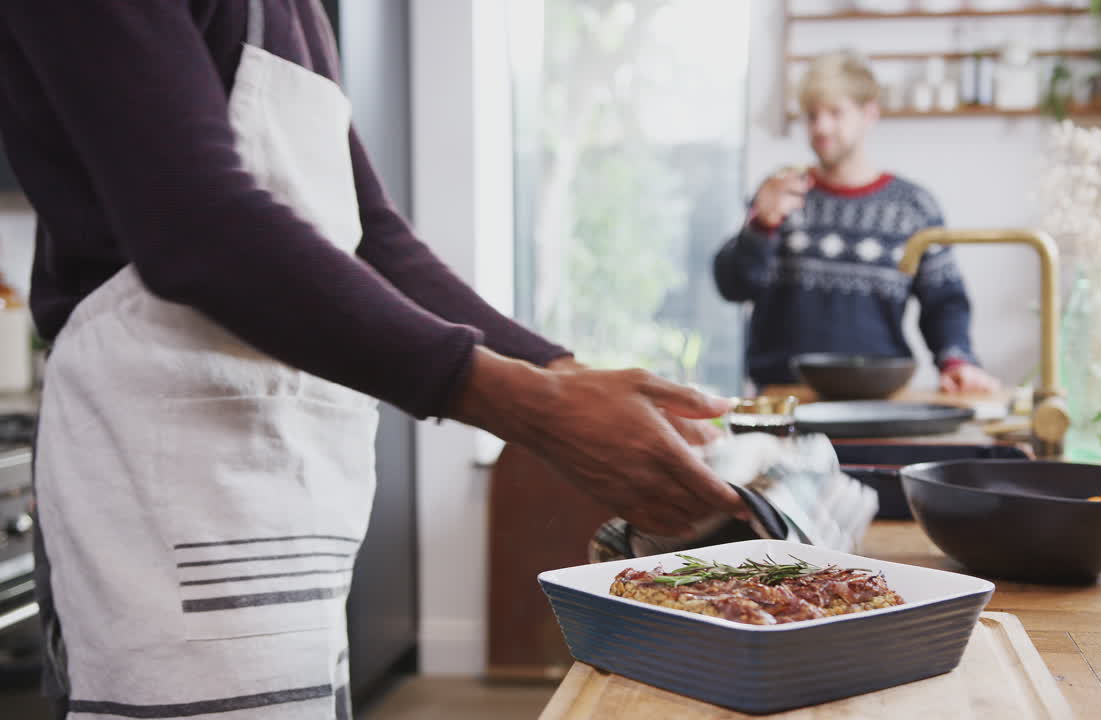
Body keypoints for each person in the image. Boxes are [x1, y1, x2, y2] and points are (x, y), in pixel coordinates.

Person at [0, 2, 743, 717]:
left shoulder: (299, 12)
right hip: (156, 486)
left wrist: (564, 374)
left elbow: (376, 240)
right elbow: (196, 227)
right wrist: (538, 411)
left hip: (285, 498)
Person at [714, 51, 1000, 395]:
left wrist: (957, 361)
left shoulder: (914, 207)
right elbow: (732, 285)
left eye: (836, 113)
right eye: (812, 116)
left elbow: (945, 302)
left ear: (870, 114)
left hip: (881, 397)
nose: (821, 128)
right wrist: (761, 226)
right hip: (785, 398)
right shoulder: (779, 192)